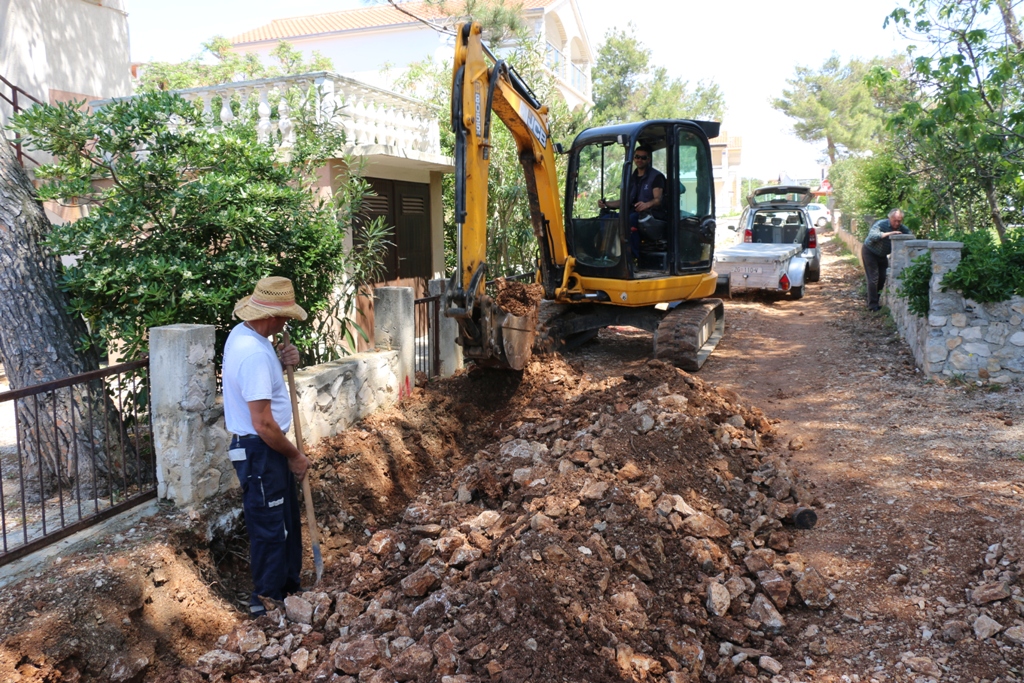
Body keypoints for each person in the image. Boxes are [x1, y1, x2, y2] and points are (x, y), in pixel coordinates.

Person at [223, 276, 309, 618]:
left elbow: (262, 382)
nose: (287, 321)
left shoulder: (248, 336)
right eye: (285, 315)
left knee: (284, 518)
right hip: (261, 450)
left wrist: (284, 357)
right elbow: (263, 423)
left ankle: (290, 588)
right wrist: (295, 455)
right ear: (272, 316)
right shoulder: (253, 355)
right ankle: (267, 603)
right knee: (270, 526)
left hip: (266, 449)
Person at [598, 144, 666, 262]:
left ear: (648, 159)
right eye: (637, 157)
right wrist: (606, 204)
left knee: (629, 221)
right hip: (632, 212)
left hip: (650, 215)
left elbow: (658, 200)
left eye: (643, 158)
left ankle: (632, 258)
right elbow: (624, 201)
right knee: (606, 218)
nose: (639, 160)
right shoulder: (631, 178)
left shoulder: (656, 177)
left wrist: (646, 204)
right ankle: (607, 255)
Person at [862, 209, 912, 312]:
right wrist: (889, 233)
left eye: (899, 221)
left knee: (882, 279)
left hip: (882, 255)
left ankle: (876, 301)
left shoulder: (902, 228)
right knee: (873, 278)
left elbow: (912, 238)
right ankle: (872, 306)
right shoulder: (880, 224)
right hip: (869, 251)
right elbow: (872, 236)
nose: (897, 223)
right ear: (890, 218)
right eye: (895, 220)